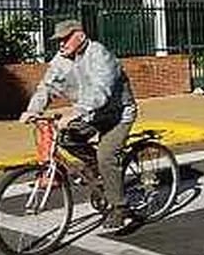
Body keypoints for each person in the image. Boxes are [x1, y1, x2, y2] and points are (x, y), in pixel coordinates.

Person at [20, 19, 138, 230]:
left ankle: (121, 209)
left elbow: (101, 91)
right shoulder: (61, 60)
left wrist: (76, 112)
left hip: (117, 115)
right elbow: (47, 87)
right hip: (91, 115)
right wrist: (33, 109)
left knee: (106, 155)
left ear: (80, 36)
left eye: (65, 39)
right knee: (66, 138)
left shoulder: (99, 55)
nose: (61, 44)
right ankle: (100, 175)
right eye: (59, 40)